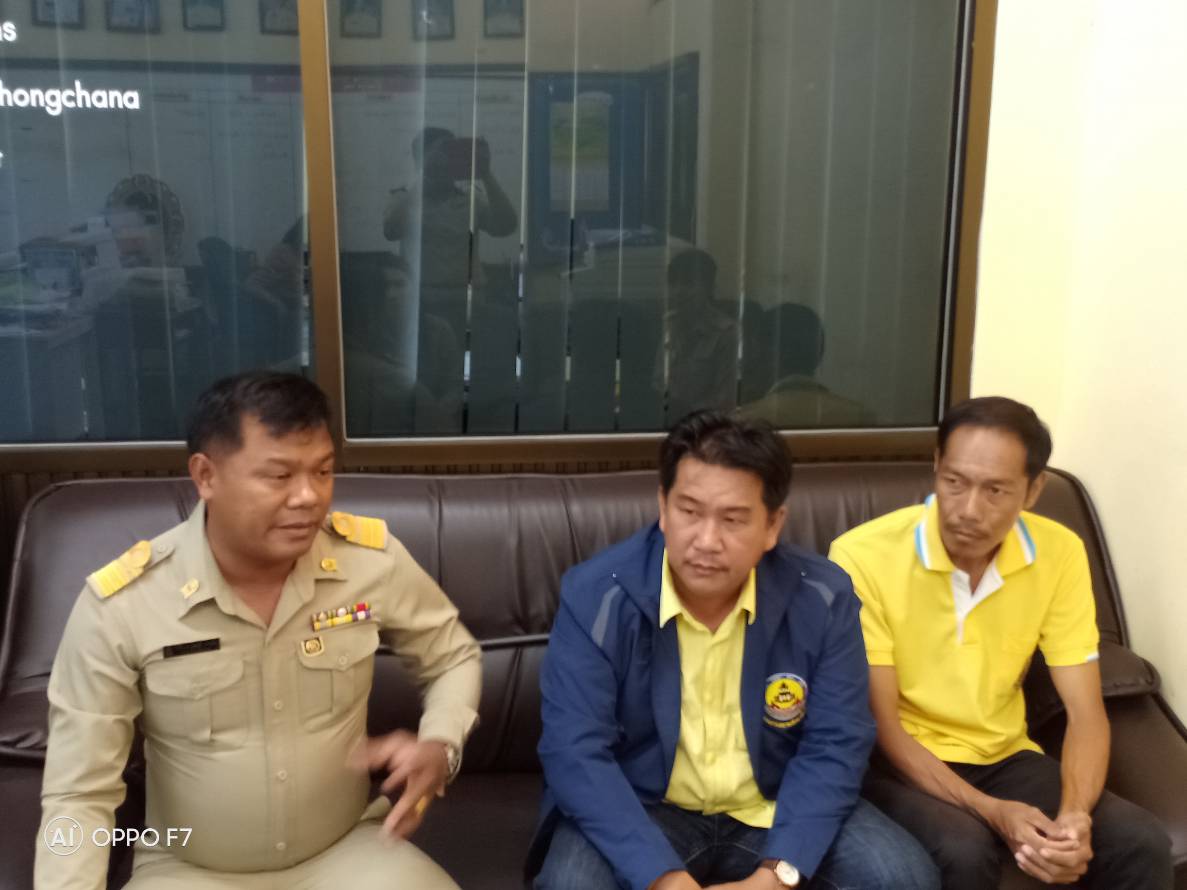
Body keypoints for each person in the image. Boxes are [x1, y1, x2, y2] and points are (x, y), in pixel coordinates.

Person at [35, 371, 481, 889]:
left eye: (323, 471)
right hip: (190, 870)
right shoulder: (123, 604)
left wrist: (441, 745)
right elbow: (78, 794)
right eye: (279, 476)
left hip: (348, 854)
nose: (309, 496)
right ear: (206, 476)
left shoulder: (369, 563)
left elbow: (452, 655)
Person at [530, 410, 938, 890]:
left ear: (772, 525)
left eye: (732, 519)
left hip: (775, 806)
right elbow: (574, 751)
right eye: (689, 512)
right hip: (645, 810)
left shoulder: (823, 597)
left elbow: (836, 743)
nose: (707, 541)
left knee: (902, 878)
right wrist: (663, 878)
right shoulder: (597, 595)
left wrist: (777, 877)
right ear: (663, 506)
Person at [828, 396, 1173, 889]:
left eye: (995, 490)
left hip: (1003, 755)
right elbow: (883, 724)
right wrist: (992, 811)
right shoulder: (863, 555)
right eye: (955, 482)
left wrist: (1075, 817)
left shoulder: (1059, 552)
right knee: (963, 851)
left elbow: (1086, 713)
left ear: (1033, 490)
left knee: (1139, 840)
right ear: (936, 467)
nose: (969, 510)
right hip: (896, 762)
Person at [382, 127, 517, 432]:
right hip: (424, 302)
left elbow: (506, 225)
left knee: (466, 376)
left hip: (468, 303)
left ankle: (467, 430)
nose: (445, 160)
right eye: (439, 153)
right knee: (428, 373)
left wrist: (486, 174)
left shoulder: (471, 198)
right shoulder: (406, 197)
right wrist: (423, 176)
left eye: (450, 152)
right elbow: (391, 228)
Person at [738, 302, 868, 428]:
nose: (748, 360)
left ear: (769, 353)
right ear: (819, 351)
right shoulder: (861, 418)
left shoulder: (745, 424)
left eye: (755, 347)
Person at [656, 250, 740, 424]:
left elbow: (725, 401)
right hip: (664, 421)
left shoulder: (726, 332)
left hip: (706, 426)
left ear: (708, 287)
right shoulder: (668, 324)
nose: (679, 291)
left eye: (688, 283)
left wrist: (684, 413)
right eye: (673, 283)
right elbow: (657, 382)